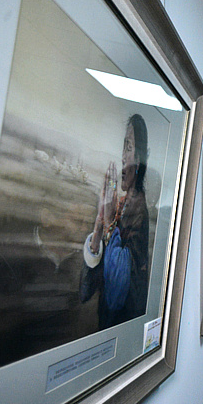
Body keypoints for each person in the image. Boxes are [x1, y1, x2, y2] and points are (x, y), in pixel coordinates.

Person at [80, 114, 150, 329]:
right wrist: (99, 225)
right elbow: (85, 292)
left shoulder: (139, 212)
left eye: (129, 148)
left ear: (140, 158)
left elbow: (118, 291)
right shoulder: (121, 204)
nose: (122, 157)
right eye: (123, 148)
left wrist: (109, 221)